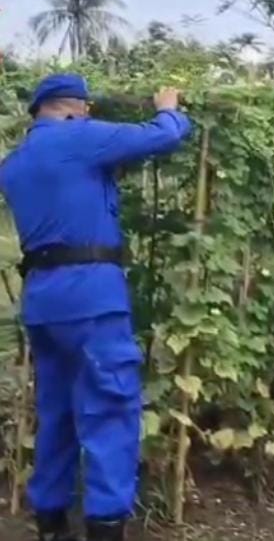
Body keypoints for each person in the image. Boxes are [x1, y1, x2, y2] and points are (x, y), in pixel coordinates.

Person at [0, 74, 192, 541]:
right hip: (91, 296)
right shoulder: (79, 136)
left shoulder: (15, 163)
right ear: (75, 108)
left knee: (58, 412)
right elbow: (162, 136)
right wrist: (169, 108)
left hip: (43, 299)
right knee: (110, 409)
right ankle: (105, 525)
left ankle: (51, 524)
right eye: (87, 110)